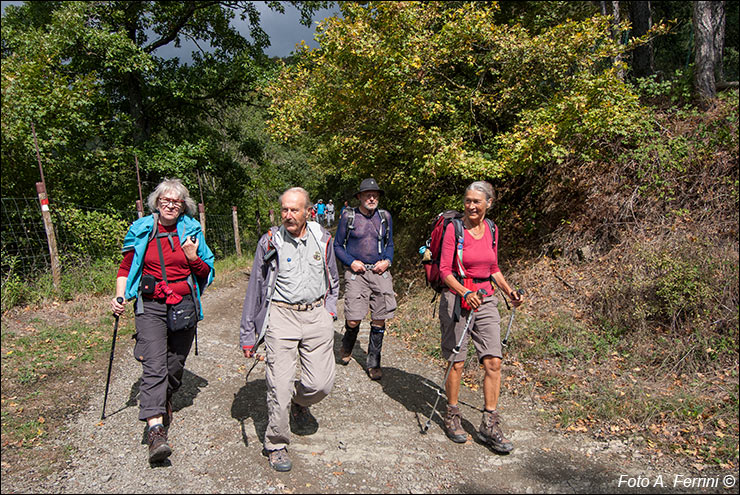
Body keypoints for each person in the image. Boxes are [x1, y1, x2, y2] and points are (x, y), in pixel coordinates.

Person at [111, 178, 215, 464]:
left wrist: (192, 256)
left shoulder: (191, 231)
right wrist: (120, 297)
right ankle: (155, 430)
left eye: (176, 201)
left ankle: (163, 394)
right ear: (156, 203)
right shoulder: (141, 229)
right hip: (151, 305)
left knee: (175, 363)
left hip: (184, 304)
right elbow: (125, 267)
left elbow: (205, 272)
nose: (170, 205)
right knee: (154, 365)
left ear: (184, 206)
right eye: (165, 200)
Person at [239, 187, 340, 472]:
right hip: (281, 317)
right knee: (279, 385)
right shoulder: (270, 242)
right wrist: (248, 335)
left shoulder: (323, 238)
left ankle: (299, 402)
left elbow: (333, 276)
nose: (288, 215)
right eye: (284, 209)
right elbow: (255, 290)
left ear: (308, 211)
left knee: (321, 384)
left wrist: (329, 310)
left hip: (316, 315)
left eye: (294, 210)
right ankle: (276, 443)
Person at [437, 180, 523, 453]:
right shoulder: (454, 229)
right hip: (458, 298)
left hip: (486, 299)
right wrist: (464, 292)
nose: (471, 205)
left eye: (477, 201)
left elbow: (494, 267)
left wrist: (509, 291)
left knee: (494, 362)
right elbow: (444, 270)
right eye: (468, 200)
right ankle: (452, 414)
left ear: (489, 203)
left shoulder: (493, 229)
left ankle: (489, 424)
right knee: (457, 362)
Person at [334, 178, 395, 380]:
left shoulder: (385, 217)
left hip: (379, 271)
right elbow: (337, 246)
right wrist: (351, 262)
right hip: (356, 273)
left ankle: (374, 362)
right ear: (359, 197)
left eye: (375, 195)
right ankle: (347, 345)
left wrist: (387, 261)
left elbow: (390, 245)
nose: (371, 198)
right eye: (367, 194)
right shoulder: (348, 217)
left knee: (379, 318)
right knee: (353, 319)